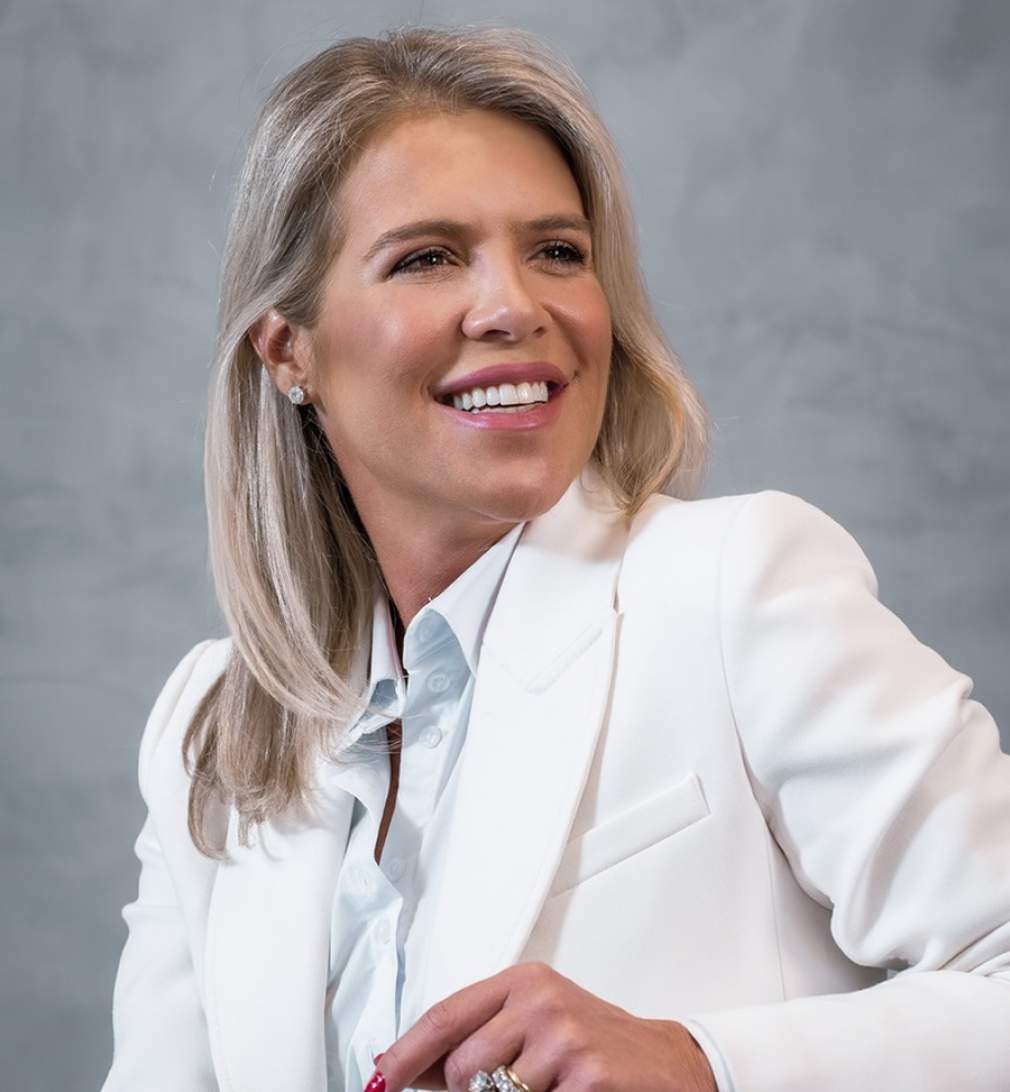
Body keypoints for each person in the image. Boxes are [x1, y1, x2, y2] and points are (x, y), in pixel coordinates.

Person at [101, 25, 1010, 1092]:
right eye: (428, 257)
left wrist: (704, 1062)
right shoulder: (207, 730)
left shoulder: (737, 586)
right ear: (287, 348)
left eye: (558, 252)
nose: (514, 308)